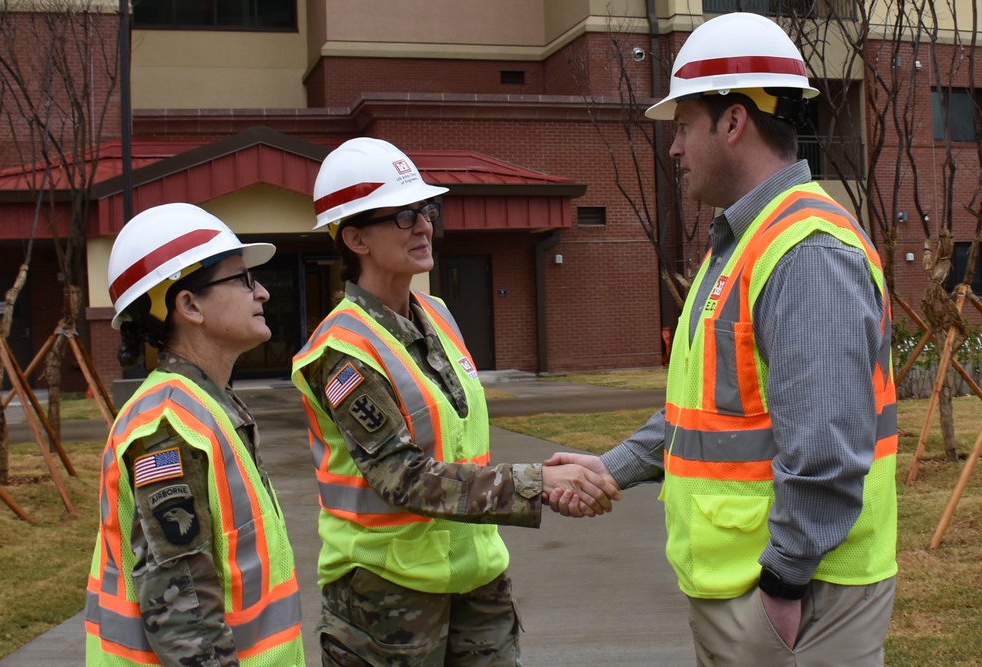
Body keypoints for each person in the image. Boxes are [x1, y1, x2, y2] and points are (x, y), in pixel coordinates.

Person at [547, 13, 898, 667]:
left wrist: (780, 591)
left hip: (803, 600)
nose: (673, 149)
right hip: (751, 592)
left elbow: (824, 451)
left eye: (682, 127)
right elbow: (707, 411)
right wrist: (612, 465)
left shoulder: (806, 253)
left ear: (733, 121)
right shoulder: (739, 243)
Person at [293, 136, 621, 666]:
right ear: (354, 237)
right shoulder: (340, 351)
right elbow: (401, 475)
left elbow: (461, 449)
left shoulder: (439, 314)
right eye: (403, 215)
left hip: (476, 577)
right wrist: (536, 484)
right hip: (387, 597)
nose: (424, 225)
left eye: (425, 209)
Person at [85, 203, 305, 666]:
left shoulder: (204, 406)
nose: (262, 292)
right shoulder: (168, 427)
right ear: (188, 305)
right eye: (243, 280)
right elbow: (183, 614)